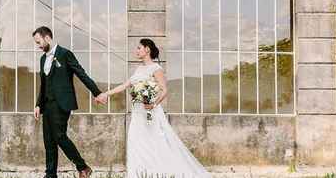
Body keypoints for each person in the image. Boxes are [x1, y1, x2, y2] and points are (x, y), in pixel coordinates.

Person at [97, 39, 212, 178]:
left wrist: (153, 104)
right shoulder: (139, 69)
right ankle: (138, 173)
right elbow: (124, 85)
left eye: (139, 48)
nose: (136, 51)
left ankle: (158, 172)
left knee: (154, 141)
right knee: (136, 142)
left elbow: (164, 90)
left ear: (147, 50)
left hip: (150, 112)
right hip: (137, 112)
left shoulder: (156, 68)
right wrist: (105, 94)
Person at [33, 26, 107, 178]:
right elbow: (44, 84)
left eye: (39, 42)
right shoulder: (42, 59)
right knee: (49, 140)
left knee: (59, 136)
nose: (38, 46)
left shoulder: (65, 54)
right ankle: (50, 174)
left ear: (47, 38)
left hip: (62, 104)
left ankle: (83, 167)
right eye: (36, 43)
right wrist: (38, 105)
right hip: (47, 105)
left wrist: (97, 92)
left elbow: (81, 74)